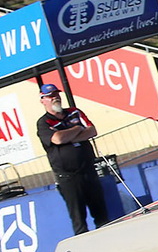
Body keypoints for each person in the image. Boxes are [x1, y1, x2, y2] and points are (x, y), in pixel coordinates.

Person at [36, 83, 111, 236]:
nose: (55, 98)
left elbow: (92, 130)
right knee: (79, 220)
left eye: (56, 95)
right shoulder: (44, 122)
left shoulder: (74, 112)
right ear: (43, 100)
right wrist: (77, 129)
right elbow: (57, 139)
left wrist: (68, 137)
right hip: (68, 177)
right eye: (50, 96)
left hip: (88, 171)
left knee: (102, 215)